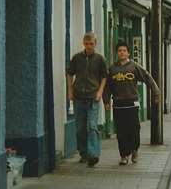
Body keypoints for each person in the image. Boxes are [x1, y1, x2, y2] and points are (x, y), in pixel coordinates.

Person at [103, 40, 160, 165]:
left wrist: (156, 92)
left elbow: (148, 79)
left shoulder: (134, 67)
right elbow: (107, 87)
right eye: (119, 51)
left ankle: (134, 150)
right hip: (118, 104)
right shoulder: (112, 69)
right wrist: (106, 101)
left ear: (128, 52)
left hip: (132, 102)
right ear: (116, 53)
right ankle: (124, 155)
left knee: (133, 129)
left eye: (124, 51)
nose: (122, 53)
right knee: (121, 131)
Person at [66, 32, 108, 167]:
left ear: (95, 44)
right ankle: (84, 153)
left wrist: (100, 92)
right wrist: (70, 91)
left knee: (92, 125)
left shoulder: (100, 59)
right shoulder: (77, 58)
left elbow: (104, 77)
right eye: (87, 44)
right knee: (80, 127)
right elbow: (70, 74)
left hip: (93, 97)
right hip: (78, 97)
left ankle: (94, 154)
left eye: (91, 44)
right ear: (83, 43)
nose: (89, 46)